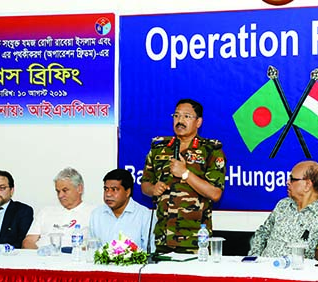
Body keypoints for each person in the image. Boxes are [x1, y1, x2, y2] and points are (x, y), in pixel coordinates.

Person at [140, 98, 226, 254]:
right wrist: (153, 189)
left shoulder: (211, 150)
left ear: (198, 122)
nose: (180, 121)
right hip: (163, 237)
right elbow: (145, 184)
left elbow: (215, 193)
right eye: (176, 116)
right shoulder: (159, 148)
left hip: (195, 239)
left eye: (187, 116)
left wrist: (185, 174)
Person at [248, 160, 318, 259]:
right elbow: (262, 233)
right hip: (265, 269)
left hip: (297, 271)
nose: (287, 182)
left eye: (292, 179)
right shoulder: (283, 205)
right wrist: (254, 258)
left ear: (307, 185)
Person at [22, 167, 95, 249]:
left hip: (73, 258)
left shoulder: (93, 213)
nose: (60, 195)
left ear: (79, 189)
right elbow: (28, 241)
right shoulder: (45, 211)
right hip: (41, 258)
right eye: (58, 191)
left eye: (65, 190)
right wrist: (39, 256)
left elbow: (95, 245)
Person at [90, 169, 154, 252]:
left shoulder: (145, 216)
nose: (108, 194)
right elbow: (92, 249)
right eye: (106, 189)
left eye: (114, 189)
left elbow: (150, 252)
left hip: (135, 265)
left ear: (128, 192)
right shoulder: (96, 215)